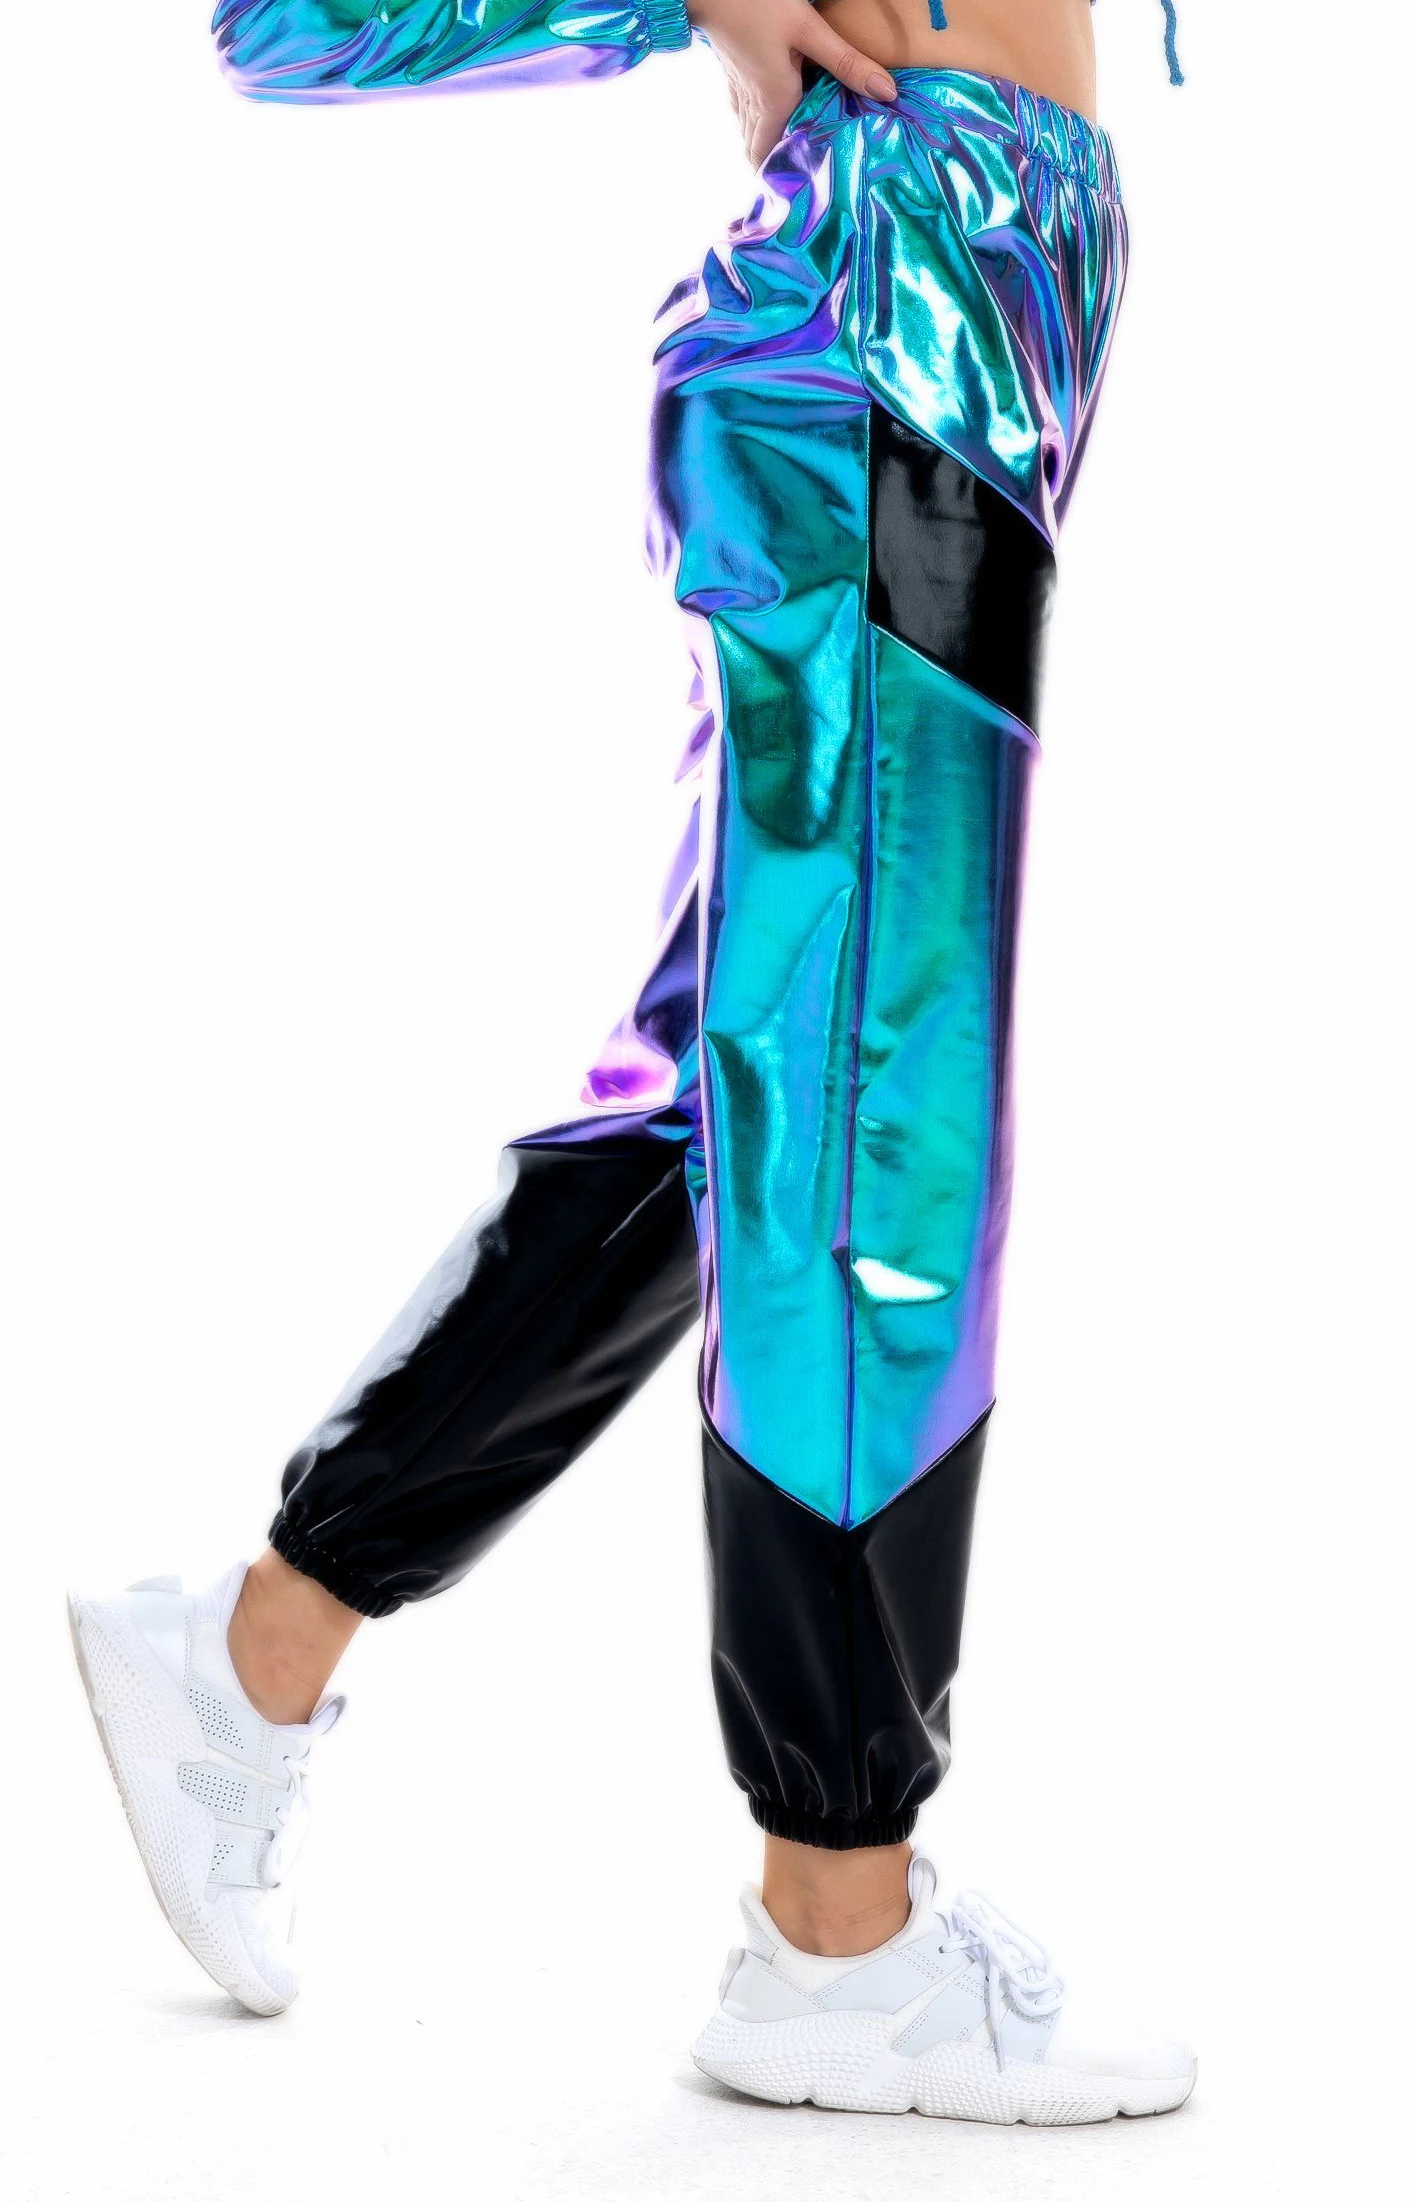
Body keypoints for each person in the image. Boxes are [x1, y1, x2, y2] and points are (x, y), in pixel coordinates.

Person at [68, 0, 1196, 2125]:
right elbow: (280, 24)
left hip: (952, 325)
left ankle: (246, 1659)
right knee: (864, 1137)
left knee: (745, 1115)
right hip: (890, 329)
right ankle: (836, 1926)